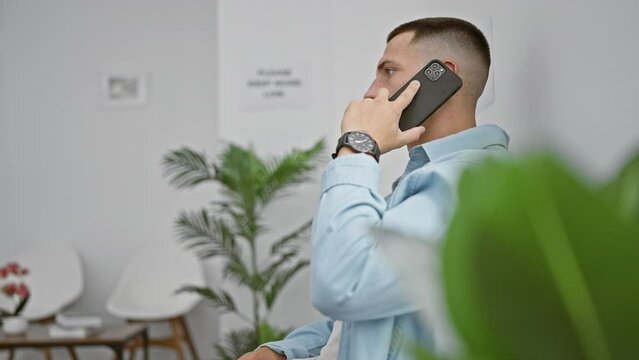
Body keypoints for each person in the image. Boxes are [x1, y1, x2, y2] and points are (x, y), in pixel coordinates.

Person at [239, 17, 510, 360]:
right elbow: (371, 318)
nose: (371, 91)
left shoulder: (464, 184)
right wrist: (285, 352)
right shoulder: (429, 180)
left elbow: (344, 285)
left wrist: (358, 145)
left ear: (441, 75)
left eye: (389, 71)